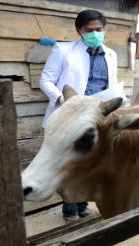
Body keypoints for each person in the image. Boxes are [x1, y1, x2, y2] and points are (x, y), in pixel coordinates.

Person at [39, 9, 119, 222]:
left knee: (88, 162)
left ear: (104, 30)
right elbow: (45, 80)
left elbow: (109, 84)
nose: (94, 33)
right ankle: (69, 208)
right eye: (89, 30)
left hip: (94, 120)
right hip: (68, 117)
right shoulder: (63, 50)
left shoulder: (111, 55)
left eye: (99, 30)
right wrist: (63, 101)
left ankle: (83, 203)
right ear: (79, 31)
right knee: (67, 162)